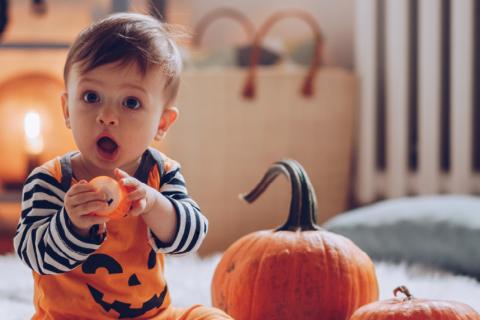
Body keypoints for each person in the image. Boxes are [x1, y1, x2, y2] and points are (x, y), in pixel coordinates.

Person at [13, 12, 232, 320]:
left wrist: (155, 204)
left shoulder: (161, 173)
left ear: (162, 123)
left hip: (153, 315)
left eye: (131, 102)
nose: (107, 115)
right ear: (66, 109)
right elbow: (33, 255)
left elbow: (191, 237)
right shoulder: (51, 180)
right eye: (91, 96)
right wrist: (72, 223)